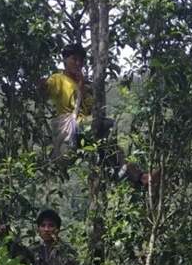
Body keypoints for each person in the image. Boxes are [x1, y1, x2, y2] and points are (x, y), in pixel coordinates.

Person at [41, 44, 153, 187]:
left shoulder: (85, 82)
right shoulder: (58, 79)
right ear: (65, 60)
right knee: (110, 125)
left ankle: (138, 177)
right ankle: (128, 176)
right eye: (74, 59)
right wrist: (42, 85)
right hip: (73, 126)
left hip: (86, 126)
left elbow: (91, 106)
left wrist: (85, 87)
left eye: (80, 61)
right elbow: (47, 89)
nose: (77, 63)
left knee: (113, 148)